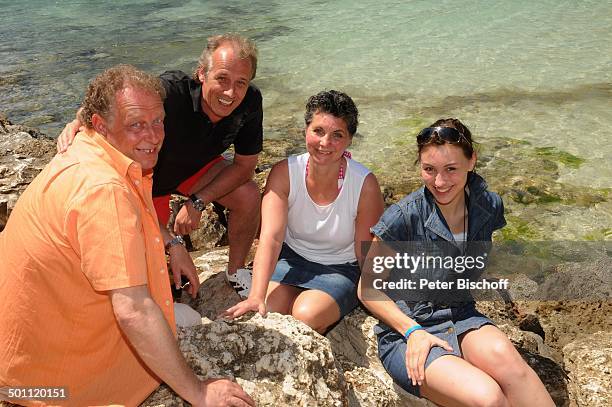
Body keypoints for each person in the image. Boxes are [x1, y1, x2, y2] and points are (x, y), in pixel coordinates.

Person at [0, 65, 254, 407]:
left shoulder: (86, 151)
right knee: (176, 326)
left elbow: (131, 215)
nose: (153, 136)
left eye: (158, 122)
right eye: (135, 125)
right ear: (100, 124)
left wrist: (173, 243)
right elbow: (133, 311)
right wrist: (199, 392)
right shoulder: (104, 191)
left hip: (24, 353)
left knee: (182, 319)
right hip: (51, 385)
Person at [357, 119, 554, 406]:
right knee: (488, 398)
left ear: (471, 160)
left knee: (514, 369)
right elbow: (367, 290)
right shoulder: (403, 217)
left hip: (462, 313)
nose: (439, 182)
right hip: (409, 327)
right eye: (429, 170)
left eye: (451, 169)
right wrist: (413, 331)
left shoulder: (488, 206)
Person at [57, 33, 263, 298]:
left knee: (248, 195)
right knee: (151, 277)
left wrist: (198, 202)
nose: (230, 92)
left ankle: (236, 272)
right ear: (202, 73)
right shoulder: (169, 91)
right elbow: (115, 98)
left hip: (195, 169)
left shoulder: (249, 102)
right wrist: (80, 120)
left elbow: (245, 167)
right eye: (222, 78)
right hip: (146, 178)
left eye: (240, 83)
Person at [224, 90, 384, 334]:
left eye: (337, 135)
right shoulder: (284, 173)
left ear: (350, 139)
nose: (325, 143)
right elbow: (271, 237)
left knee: (305, 315)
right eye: (318, 131)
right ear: (306, 130)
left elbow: (367, 251)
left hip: (340, 267)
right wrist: (255, 295)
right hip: (290, 260)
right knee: (269, 311)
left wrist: (383, 300)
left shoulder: (364, 184)